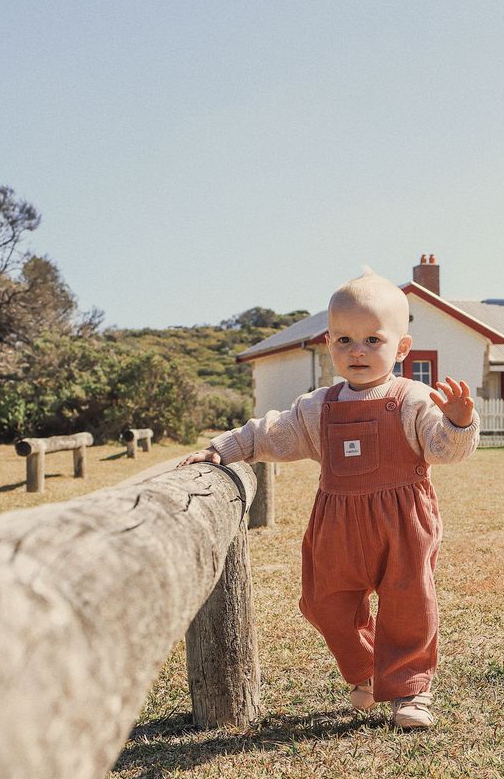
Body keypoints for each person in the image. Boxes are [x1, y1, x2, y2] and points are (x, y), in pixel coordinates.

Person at [177, 271, 479, 728]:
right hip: (337, 520)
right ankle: (366, 671)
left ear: (401, 348)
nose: (357, 350)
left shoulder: (413, 398)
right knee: (323, 601)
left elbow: (442, 449)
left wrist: (457, 423)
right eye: (344, 340)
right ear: (328, 342)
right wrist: (224, 449)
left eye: (372, 339)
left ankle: (410, 692)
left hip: (403, 520)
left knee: (408, 603)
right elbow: (270, 433)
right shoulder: (319, 406)